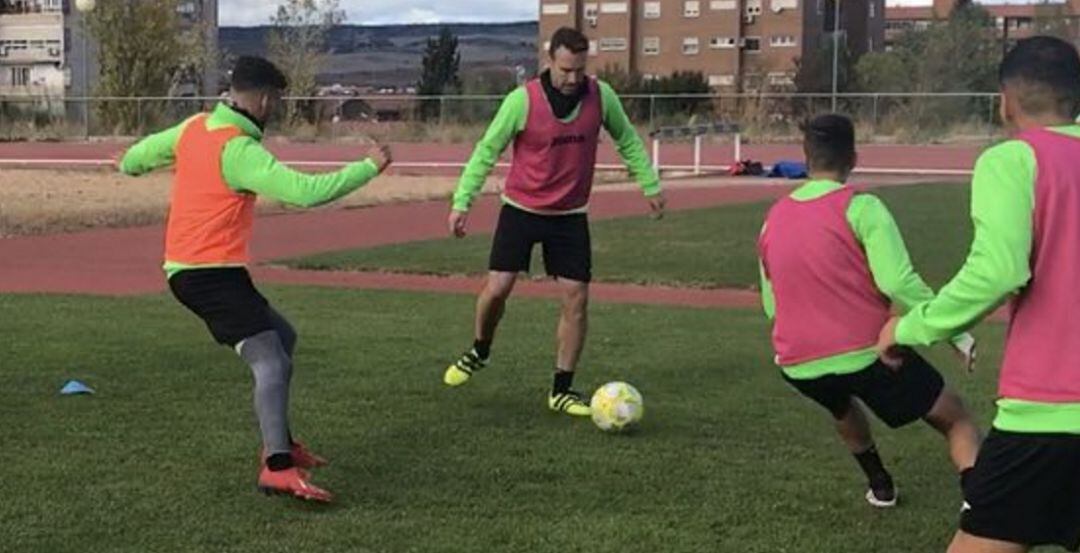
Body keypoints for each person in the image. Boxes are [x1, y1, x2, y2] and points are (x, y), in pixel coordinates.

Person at [118, 56, 392, 503]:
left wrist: (127, 165)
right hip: (206, 274)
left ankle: (281, 442)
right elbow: (307, 193)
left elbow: (138, 155)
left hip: (203, 269)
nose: (276, 107)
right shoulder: (239, 150)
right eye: (277, 100)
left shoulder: (196, 126)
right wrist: (368, 167)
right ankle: (276, 468)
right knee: (272, 362)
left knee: (283, 337)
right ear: (265, 98)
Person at [877, 36, 1080, 552]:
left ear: (1004, 102)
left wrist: (908, 326)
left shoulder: (1012, 160)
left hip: (1048, 415)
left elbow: (997, 271)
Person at [759, 114, 980, 508]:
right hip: (867, 353)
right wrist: (957, 334)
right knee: (956, 417)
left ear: (806, 157)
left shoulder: (772, 218)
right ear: (854, 158)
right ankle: (978, 498)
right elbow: (898, 283)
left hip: (796, 362)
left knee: (840, 404)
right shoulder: (862, 207)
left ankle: (880, 486)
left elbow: (771, 302)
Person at [442, 27, 665, 417]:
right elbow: (486, 151)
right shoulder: (521, 101)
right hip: (521, 210)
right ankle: (480, 349)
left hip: (570, 215)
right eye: (565, 70)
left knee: (576, 298)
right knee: (498, 288)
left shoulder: (601, 96)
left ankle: (561, 389)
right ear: (550, 62)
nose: (572, 78)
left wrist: (648, 183)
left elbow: (627, 139)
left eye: (579, 69)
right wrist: (463, 201)